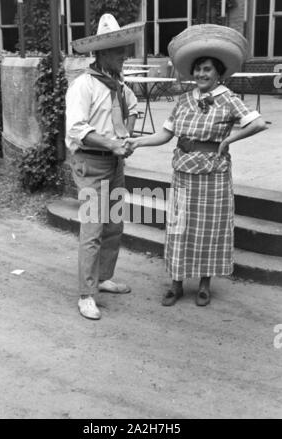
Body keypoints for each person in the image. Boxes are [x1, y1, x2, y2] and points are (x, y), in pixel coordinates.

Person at [125, 24, 267, 307]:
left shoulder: (227, 98)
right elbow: (165, 134)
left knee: (210, 228)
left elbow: (258, 123)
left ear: (218, 73)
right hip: (183, 173)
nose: (202, 74)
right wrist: (136, 142)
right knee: (180, 227)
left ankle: (204, 284)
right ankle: (176, 284)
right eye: (198, 69)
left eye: (208, 69)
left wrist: (231, 139)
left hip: (213, 175)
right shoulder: (183, 101)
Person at [65, 14, 144, 320]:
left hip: (115, 164)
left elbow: (134, 107)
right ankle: (86, 294)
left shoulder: (119, 84)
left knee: (113, 225)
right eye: (117, 51)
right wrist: (111, 143)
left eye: (124, 50)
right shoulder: (84, 86)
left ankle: (104, 277)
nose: (123, 56)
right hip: (91, 164)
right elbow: (75, 129)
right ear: (100, 54)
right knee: (93, 229)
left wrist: (126, 134)